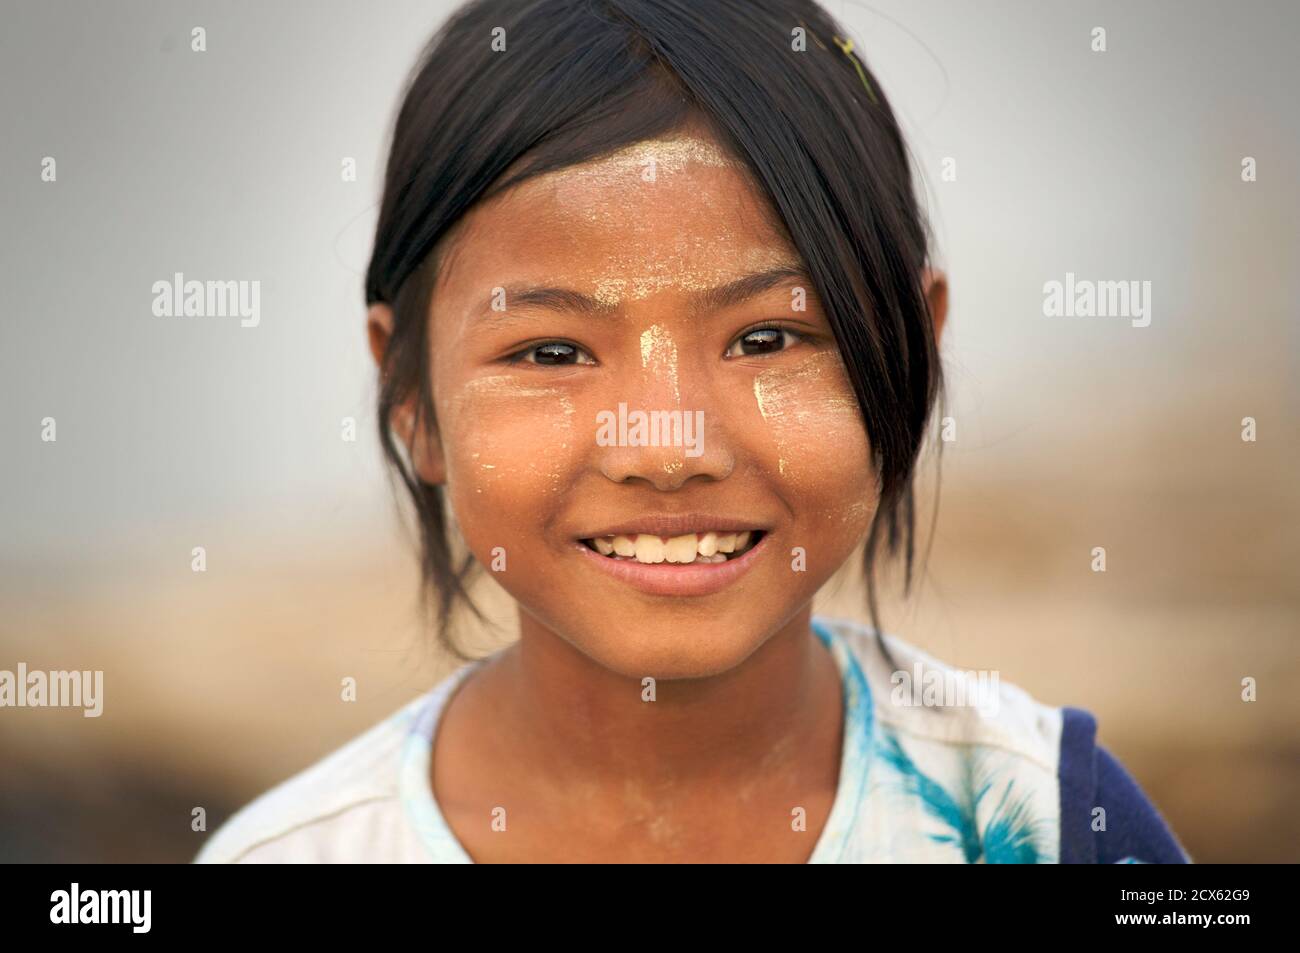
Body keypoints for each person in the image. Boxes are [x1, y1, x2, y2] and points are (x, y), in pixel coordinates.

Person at [195, 0, 1190, 863]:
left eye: (766, 336)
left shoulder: (1049, 821)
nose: (666, 444)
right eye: (550, 352)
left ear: (912, 354)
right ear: (411, 397)